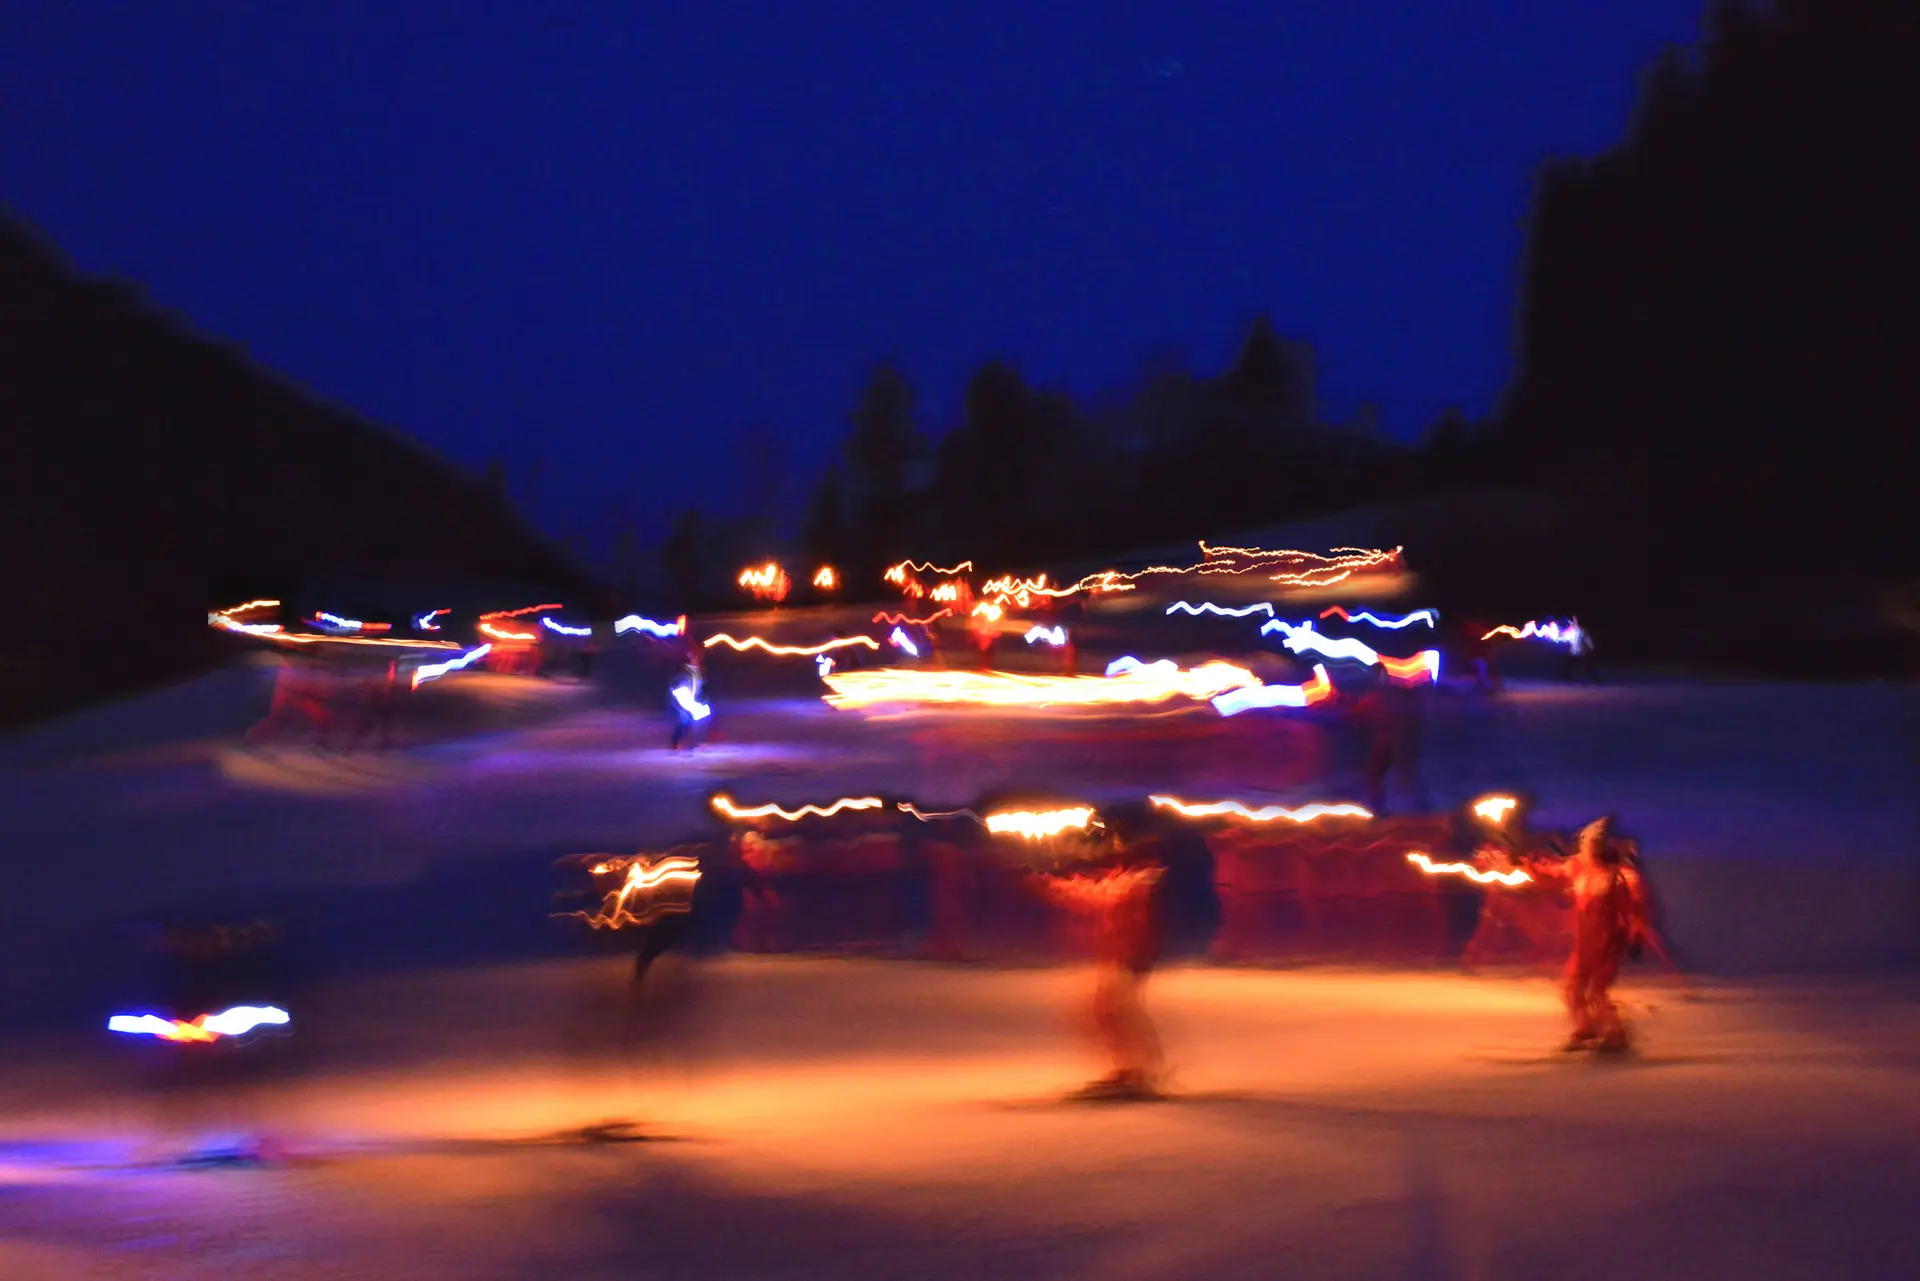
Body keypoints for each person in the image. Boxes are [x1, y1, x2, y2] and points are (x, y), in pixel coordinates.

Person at [1030, 823, 1168, 1097]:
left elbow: (1101, 898)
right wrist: (1050, 884)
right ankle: (1133, 1070)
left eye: (1120, 845)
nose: (1114, 850)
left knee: (1112, 1010)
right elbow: (1090, 895)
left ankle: (1138, 1072)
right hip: (1122, 955)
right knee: (1108, 1011)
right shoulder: (1127, 878)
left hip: (1130, 956)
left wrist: (1055, 886)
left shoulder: (1141, 880)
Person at [1536, 817, 1650, 1053]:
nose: (1588, 849)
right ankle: (1585, 1029)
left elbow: (1635, 908)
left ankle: (1617, 1034)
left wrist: (1635, 935)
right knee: (1571, 989)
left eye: (1593, 844)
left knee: (1597, 991)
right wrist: (1525, 864)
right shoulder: (1577, 867)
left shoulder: (1620, 875)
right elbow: (1548, 875)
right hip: (1585, 942)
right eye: (1587, 843)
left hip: (1609, 942)